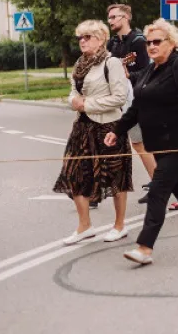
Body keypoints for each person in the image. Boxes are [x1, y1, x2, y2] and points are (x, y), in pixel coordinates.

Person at [106, 19, 178, 265]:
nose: (152, 46)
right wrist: (118, 130)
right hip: (157, 142)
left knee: (157, 191)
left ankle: (144, 247)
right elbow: (137, 107)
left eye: (157, 41)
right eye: (149, 42)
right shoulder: (149, 70)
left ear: (172, 43)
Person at [54, 20, 133, 245]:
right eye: (80, 37)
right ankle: (84, 225)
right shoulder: (80, 63)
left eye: (87, 37)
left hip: (108, 126)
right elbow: (72, 92)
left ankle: (119, 225)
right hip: (82, 126)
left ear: (101, 40)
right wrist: (74, 101)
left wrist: (87, 104)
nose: (82, 41)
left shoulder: (112, 63)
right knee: (74, 171)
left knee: (115, 176)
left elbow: (120, 98)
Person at [106, 4, 155, 205]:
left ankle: (159, 184)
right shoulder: (112, 44)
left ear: (126, 17)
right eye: (108, 17)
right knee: (110, 140)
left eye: (114, 17)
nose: (110, 21)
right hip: (115, 99)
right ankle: (104, 185)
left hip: (134, 99)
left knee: (138, 143)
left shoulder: (138, 42)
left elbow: (148, 72)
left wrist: (129, 74)